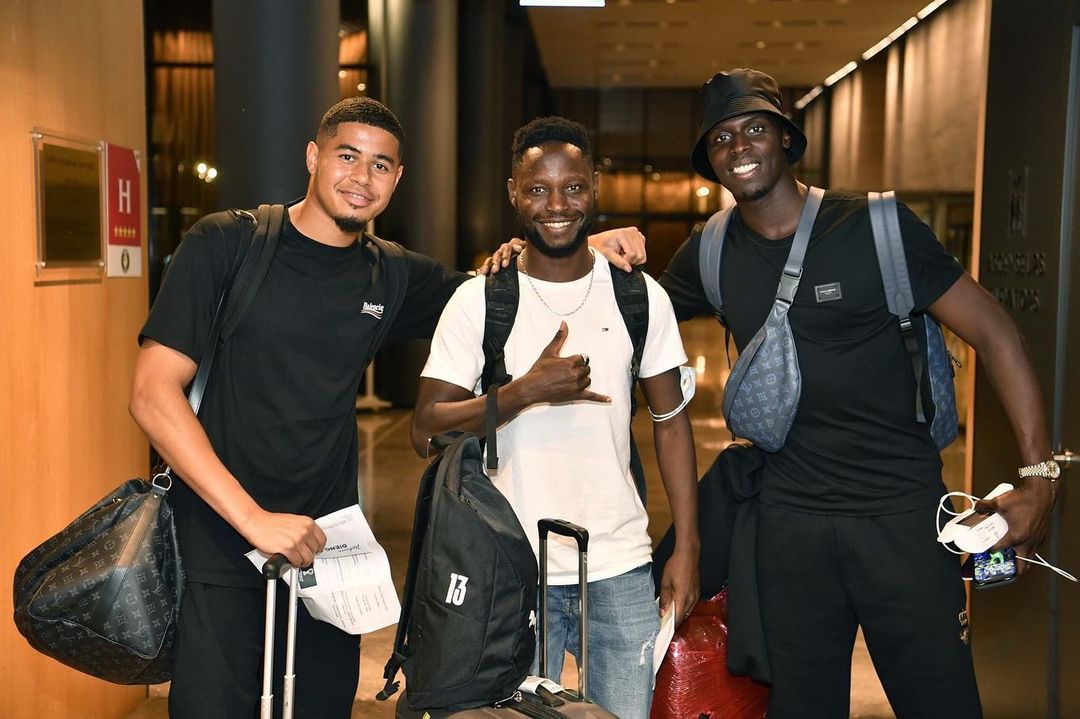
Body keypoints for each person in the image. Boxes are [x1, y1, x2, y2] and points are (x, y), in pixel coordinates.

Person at [129, 97, 645, 719]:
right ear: (314, 157)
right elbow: (153, 394)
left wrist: (584, 239)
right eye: (347, 156)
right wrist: (253, 518)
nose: (361, 178)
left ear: (396, 180)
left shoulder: (390, 275)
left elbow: (509, 286)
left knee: (323, 705)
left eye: (381, 166)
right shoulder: (227, 244)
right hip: (221, 541)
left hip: (330, 552)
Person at [656, 69, 1058, 718]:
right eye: (722, 137)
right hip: (789, 530)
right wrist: (585, 246)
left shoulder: (879, 227)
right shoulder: (709, 253)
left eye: (755, 127)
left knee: (944, 703)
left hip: (902, 520)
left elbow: (997, 332)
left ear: (787, 139)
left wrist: (1039, 473)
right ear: (712, 161)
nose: (739, 145)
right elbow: (627, 309)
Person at [411, 116, 701, 719]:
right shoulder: (481, 299)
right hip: (509, 574)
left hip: (619, 565)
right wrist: (523, 393)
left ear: (594, 188)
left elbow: (671, 423)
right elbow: (426, 427)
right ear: (514, 194)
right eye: (538, 189)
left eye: (572, 186)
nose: (556, 203)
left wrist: (687, 547)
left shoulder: (639, 296)